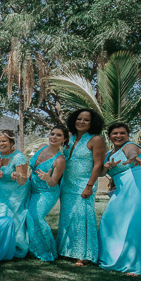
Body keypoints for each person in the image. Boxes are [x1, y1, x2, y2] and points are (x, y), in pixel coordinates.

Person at [97, 122, 141, 277]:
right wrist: (106, 166)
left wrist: (132, 158)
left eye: (122, 133)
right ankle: (115, 255)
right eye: (115, 133)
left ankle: (139, 264)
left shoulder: (130, 146)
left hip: (139, 181)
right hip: (124, 188)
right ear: (110, 136)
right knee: (110, 220)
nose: (119, 136)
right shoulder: (109, 154)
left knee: (138, 222)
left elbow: (131, 152)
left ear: (128, 135)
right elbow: (101, 173)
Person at [57, 108, 106, 265]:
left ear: (93, 123)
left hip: (84, 183)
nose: (81, 122)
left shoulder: (95, 139)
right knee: (67, 217)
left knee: (82, 217)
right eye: (79, 118)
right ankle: (67, 250)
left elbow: (98, 164)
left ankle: (83, 255)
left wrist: (89, 186)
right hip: (67, 184)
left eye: (86, 120)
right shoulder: (69, 138)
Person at [0, 130, 30, 258]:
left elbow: (23, 180)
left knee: (11, 217)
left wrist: (18, 175)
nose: (1, 144)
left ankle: (15, 246)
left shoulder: (19, 157)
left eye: (4, 141)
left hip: (16, 191)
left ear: (11, 142)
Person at [25, 126, 68, 262]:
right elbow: (32, 169)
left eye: (59, 135)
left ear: (64, 139)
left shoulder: (60, 159)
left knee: (36, 217)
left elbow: (54, 182)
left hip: (47, 192)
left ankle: (47, 251)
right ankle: (30, 247)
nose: (54, 137)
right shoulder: (42, 147)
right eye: (52, 134)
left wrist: (47, 178)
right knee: (27, 215)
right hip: (32, 188)